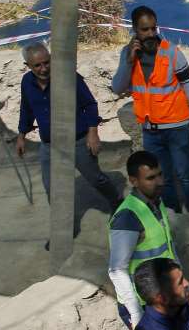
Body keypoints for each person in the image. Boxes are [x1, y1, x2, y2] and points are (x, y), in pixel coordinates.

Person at [111, 5, 189, 213]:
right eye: (145, 30)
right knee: (162, 179)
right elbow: (117, 88)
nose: (151, 34)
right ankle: (171, 216)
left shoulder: (172, 53)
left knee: (186, 174)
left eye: (154, 28)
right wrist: (129, 62)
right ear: (135, 30)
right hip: (150, 129)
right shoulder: (128, 54)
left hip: (177, 127)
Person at [15, 43, 120, 209]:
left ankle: (117, 202)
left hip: (77, 140)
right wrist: (21, 136)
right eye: (37, 65)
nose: (44, 69)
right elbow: (26, 109)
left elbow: (89, 104)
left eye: (46, 62)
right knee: (51, 187)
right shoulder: (26, 82)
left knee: (95, 179)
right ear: (27, 66)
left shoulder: (68, 76)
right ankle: (62, 228)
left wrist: (93, 133)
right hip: (49, 145)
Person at [108, 151, 176, 330]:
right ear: (134, 181)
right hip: (144, 303)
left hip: (163, 292)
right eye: (151, 178)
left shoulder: (156, 201)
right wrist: (136, 313)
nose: (159, 182)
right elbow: (116, 270)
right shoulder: (127, 217)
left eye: (160, 174)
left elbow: (168, 246)